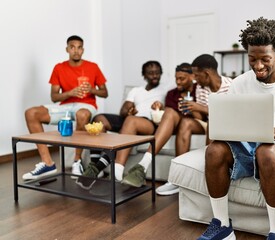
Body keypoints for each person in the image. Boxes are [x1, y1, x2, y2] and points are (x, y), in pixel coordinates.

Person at [197, 17, 275, 240]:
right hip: (248, 147)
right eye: (252, 59)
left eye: (265, 59)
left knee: (266, 150)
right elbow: (231, 122)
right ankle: (222, 226)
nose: (258, 66)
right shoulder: (240, 83)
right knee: (214, 149)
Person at [23, 35, 108, 181]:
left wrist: (92, 90)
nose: (76, 50)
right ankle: (47, 163)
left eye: (79, 47)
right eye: (72, 47)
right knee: (31, 113)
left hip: (86, 105)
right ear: (67, 49)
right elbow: (54, 97)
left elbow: (104, 93)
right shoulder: (59, 68)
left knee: (82, 114)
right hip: (66, 106)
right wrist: (70, 93)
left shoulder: (92, 67)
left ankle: (77, 162)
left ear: (83, 50)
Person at [150, 54, 233, 195]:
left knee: (214, 121)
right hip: (207, 121)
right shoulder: (201, 88)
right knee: (186, 122)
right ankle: (177, 178)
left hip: (224, 123)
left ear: (206, 74)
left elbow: (230, 114)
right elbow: (201, 117)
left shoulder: (231, 86)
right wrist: (192, 109)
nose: (194, 79)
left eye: (197, 75)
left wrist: (200, 107)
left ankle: (209, 173)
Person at [76, 60, 167, 189]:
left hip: (149, 122)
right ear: (144, 75)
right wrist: (129, 110)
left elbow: (169, 107)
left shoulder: (165, 90)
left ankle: (110, 171)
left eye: (157, 73)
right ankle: (96, 166)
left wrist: (160, 107)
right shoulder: (136, 90)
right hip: (130, 119)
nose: (154, 76)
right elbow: (123, 111)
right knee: (98, 119)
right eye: (151, 73)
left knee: (131, 120)